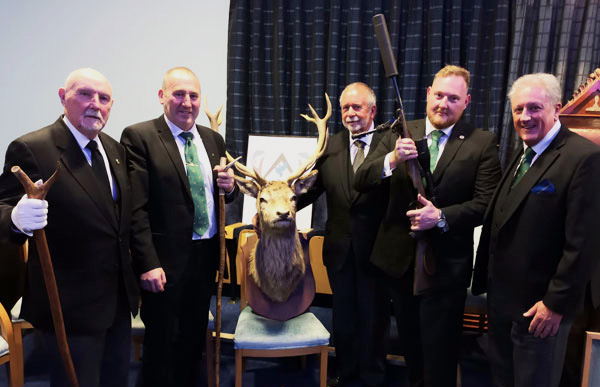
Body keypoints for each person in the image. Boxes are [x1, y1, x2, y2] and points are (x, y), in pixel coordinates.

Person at [355, 65, 501, 387]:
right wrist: (391, 159)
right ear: (427, 95)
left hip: (446, 269)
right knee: (410, 351)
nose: (443, 103)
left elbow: (485, 204)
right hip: (399, 266)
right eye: (438, 95)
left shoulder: (482, 143)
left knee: (441, 355)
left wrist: (442, 217)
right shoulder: (399, 132)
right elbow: (361, 179)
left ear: (466, 102)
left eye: (453, 98)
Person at [0, 68, 139, 387]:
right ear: (63, 98)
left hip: (116, 302)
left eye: (104, 98)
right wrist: (17, 219)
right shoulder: (33, 148)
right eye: (85, 94)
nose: (96, 104)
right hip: (68, 305)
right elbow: (2, 209)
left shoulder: (113, 150)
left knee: (115, 380)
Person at [472, 73, 600, 387]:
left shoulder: (583, 158)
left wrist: (555, 303)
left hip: (541, 312)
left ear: (556, 109)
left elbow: (583, 244)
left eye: (534, 108)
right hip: (503, 305)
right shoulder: (524, 153)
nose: (525, 117)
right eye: (518, 110)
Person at [120, 67, 236, 387]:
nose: (187, 102)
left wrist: (230, 185)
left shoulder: (213, 139)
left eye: (194, 95)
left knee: (192, 340)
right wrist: (148, 262)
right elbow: (136, 209)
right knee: (162, 345)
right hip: (163, 264)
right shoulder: (139, 136)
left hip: (205, 257)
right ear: (162, 97)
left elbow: (222, 192)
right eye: (179, 94)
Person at [297, 82, 390, 387]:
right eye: (345, 108)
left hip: (377, 251)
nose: (350, 114)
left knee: (374, 319)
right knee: (345, 317)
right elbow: (313, 189)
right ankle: (347, 375)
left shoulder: (391, 142)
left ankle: (373, 378)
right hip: (339, 252)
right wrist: (280, 205)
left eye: (357, 107)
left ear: (372, 110)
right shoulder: (331, 145)